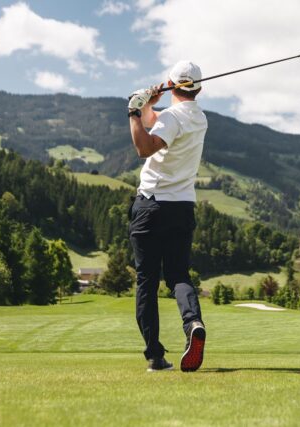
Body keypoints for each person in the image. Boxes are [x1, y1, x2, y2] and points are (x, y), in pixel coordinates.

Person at [127, 61, 207, 372]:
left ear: (172, 85)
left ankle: (155, 356)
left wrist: (134, 114)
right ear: (198, 89)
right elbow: (159, 122)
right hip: (182, 207)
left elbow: (144, 147)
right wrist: (149, 105)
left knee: (147, 281)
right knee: (178, 277)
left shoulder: (172, 119)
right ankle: (193, 323)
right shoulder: (198, 119)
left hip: (152, 206)